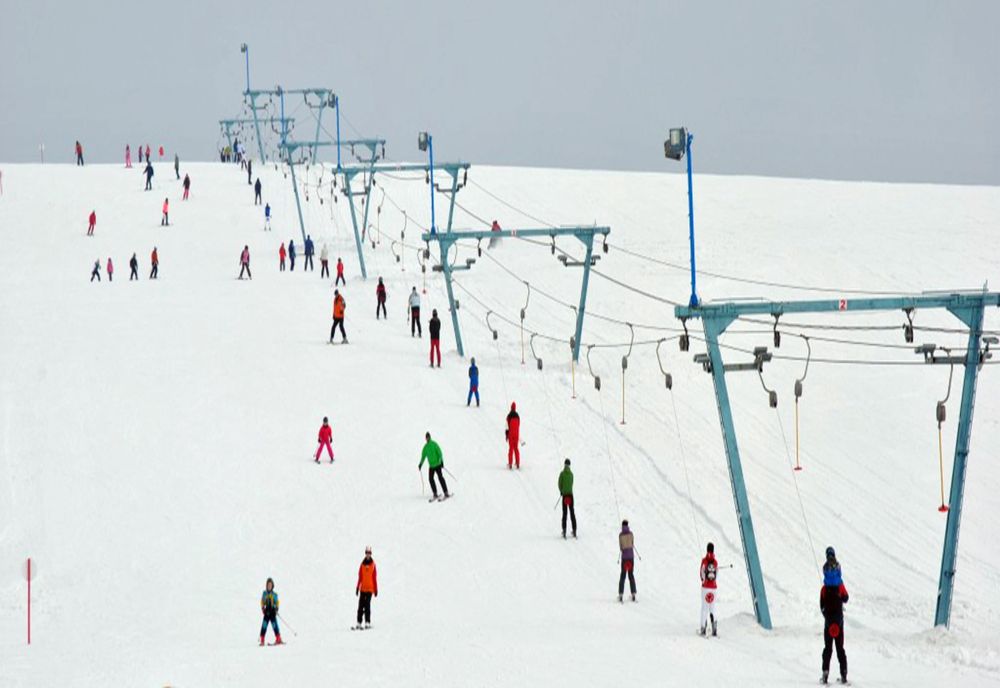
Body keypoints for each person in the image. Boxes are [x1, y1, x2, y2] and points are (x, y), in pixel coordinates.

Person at [820, 547, 849, 684]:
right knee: (840, 649)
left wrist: (827, 616)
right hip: (839, 622)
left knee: (828, 649)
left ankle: (825, 673)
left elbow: (821, 605)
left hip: (828, 622)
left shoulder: (824, 588)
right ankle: (843, 675)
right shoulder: (840, 585)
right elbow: (846, 598)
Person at [419, 431, 449, 501]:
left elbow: (440, 453)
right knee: (430, 479)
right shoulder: (425, 447)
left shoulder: (434, 444)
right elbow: (423, 456)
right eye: (426, 437)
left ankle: (446, 492)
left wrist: (441, 461)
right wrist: (420, 464)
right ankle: (435, 493)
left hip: (437, 464)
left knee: (440, 478)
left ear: (430, 437)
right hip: (431, 466)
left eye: (428, 437)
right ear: (425, 438)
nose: (427, 438)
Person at [355, 546, 378, 629]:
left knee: (367, 605)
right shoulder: (362, 565)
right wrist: (357, 587)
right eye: (366, 553)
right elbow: (360, 577)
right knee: (360, 605)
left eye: (369, 553)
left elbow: (374, 578)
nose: (368, 554)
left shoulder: (373, 565)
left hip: (370, 589)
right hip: (363, 588)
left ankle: (367, 622)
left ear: (371, 554)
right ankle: (359, 622)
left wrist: (375, 589)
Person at [699, 542, 719, 636]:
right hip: (713, 589)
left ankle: (703, 629)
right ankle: (714, 629)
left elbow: (702, 574)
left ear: (707, 549)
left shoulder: (704, 560)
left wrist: (703, 580)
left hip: (705, 588)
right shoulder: (715, 562)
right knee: (713, 608)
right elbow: (717, 575)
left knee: (704, 609)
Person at [259, 577, 282, 646]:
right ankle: (262, 640)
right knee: (264, 626)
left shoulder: (274, 594)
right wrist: (263, 608)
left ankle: (278, 638)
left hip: (272, 612)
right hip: (267, 612)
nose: (269, 586)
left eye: (270, 585)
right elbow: (262, 602)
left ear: (272, 586)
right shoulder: (264, 594)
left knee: (275, 625)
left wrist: (276, 609)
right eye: (268, 585)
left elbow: (277, 602)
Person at [618, 519, 637, 602]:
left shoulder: (620, 535)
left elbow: (621, 547)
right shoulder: (631, 534)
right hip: (631, 557)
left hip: (624, 558)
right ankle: (633, 594)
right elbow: (632, 543)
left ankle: (621, 594)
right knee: (631, 575)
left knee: (623, 576)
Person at [558, 459, 577, 538]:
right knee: (572, 513)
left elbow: (559, 483)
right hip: (571, 495)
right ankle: (574, 530)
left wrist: (561, 491)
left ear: (564, 464)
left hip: (565, 495)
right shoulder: (571, 474)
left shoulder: (562, 474)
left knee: (565, 513)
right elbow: (572, 483)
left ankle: (564, 529)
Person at [505, 402, 520, 469]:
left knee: (511, 449)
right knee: (516, 448)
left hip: (511, 434)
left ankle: (510, 463)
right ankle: (517, 463)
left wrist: (507, 435)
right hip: (516, 434)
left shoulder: (509, 416)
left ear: (511, 407)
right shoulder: (518, 416)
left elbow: (507, 426)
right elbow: (518, 425)